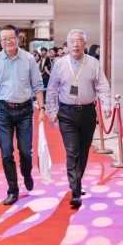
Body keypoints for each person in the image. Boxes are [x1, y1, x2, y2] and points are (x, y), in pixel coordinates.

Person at [0, 25, 46, 206]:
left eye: (11, 38)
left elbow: (38, 85)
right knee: (6, 152)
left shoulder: (28, 59)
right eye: (4, 39)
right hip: (4, 110)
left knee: (25, 151)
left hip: (25, 109)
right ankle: (12, 190)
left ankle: (26, 173)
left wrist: (42, 109)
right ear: (0, 41)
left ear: (18, 38)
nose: (8, 41)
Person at [46, 29, 111, 208]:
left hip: (88, 113)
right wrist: (52, 111)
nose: (75, 45)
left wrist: (106, 104)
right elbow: (52, 89)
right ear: (67, 45)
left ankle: (77, 181)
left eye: (79, 41)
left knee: (83, 152)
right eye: (72, 41)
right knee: (72, 151)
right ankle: (75, 191)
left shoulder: (93, 63)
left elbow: (102, 86)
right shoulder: (60, 64)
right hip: (66, 113)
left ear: (84, 44)